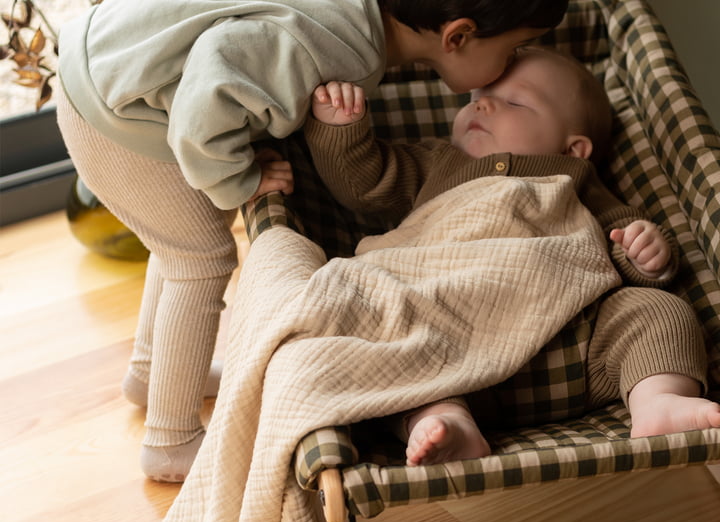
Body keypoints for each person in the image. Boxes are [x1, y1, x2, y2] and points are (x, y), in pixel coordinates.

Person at [54, 0, 569, 481]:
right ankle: (169, 439)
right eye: (513, 50)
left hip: (101, 69)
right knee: (202, 259)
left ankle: (149, 373)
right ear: (458, 36)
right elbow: (211, 84)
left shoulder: (353, 19)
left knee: (177, 244)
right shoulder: (338, 45)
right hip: (114, 106)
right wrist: (240, 178)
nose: (509, 67)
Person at [304, 46, 720, 466]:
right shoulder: (437, 164)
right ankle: (446, 418)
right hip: (450, 348)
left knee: (657, 311)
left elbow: (620, 239)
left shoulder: (574, 177)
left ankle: (657, 401)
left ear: (572, 148)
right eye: (476, 97)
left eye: (514, 101)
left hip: (573, 343)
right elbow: (364, 182)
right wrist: (342, 127)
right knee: (385, 334)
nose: (482, 103)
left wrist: (646, 252)